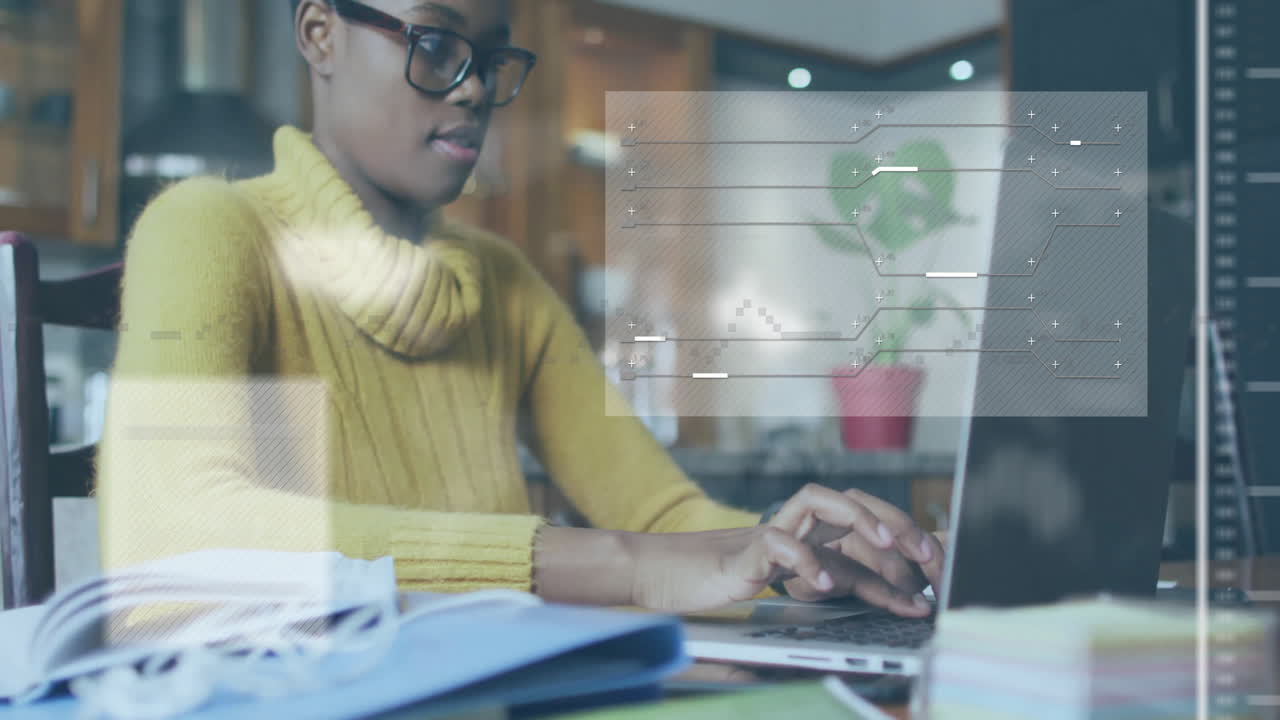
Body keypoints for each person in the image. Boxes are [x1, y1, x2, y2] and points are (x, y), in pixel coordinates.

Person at [95, 0, 942, 616]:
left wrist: (791, 556)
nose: (472, 89)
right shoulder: (207, 227)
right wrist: (624, 565)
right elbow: (173, 526)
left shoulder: (500, 279)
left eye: (492, 58)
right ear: (320, 33)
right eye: (435, 44)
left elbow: (658, 515)